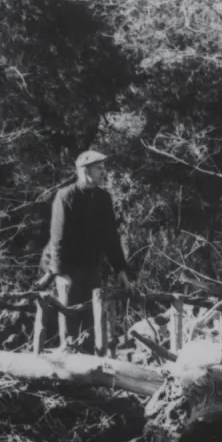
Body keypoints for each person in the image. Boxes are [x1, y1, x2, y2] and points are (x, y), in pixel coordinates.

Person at [42, 149, 135, 352]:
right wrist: (61, 273)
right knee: (69, 316)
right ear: (85, 171)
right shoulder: (66, 196)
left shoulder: (103, 198)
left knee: (92, 317)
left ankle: (91, 366)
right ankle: (68, 362)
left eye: (104, 168)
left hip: (91, 267)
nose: (104, 173)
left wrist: (121, 271)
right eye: (99, 169)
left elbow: (111, 237)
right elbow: (58, 238)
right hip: (68, 268)